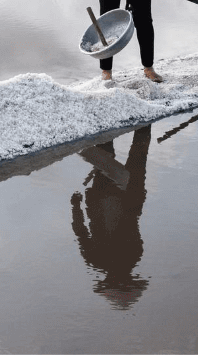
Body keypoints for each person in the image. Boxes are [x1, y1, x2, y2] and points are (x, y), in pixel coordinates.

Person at [70, 125, 152, 310]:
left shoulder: (134, 255)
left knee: (138, 151)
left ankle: (142, 120)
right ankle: (135, 120)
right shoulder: (96, 259)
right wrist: (75, 206)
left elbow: (82, 231)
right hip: (108, 199)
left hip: (127, 196)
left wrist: (76, 207)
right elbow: (80, 230)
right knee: (115, 154)